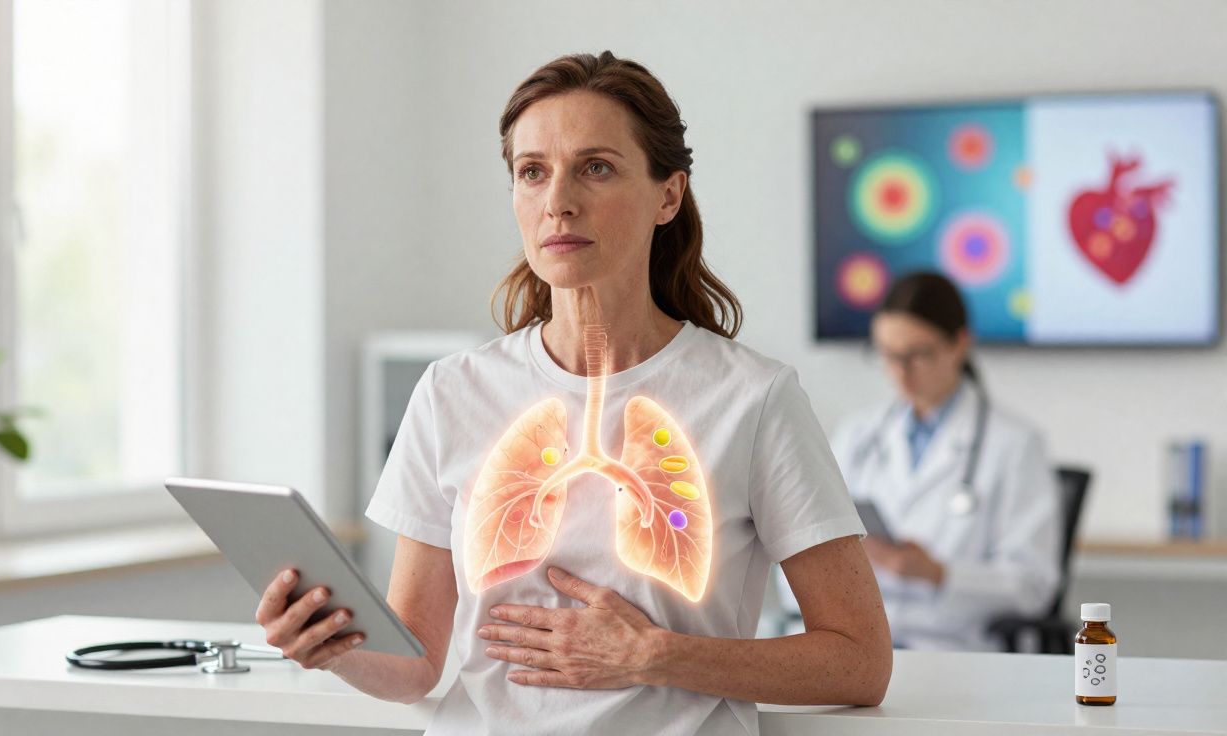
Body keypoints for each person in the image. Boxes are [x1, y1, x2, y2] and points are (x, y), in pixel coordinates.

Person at [255, 51, 891, 735]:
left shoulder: (753, 399)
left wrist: (657, 656)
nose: (557, 199)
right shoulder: (452, 392)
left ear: (668, 196)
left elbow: (859, 662)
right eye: (533, 172)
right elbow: (415, 664)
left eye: (596, 167)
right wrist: (328, 646)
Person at [826, 271, 1063, 651]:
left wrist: (939, 574)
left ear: (959, 345)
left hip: (956, 651)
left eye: (917, 355)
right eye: (888, 355)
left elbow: (1033, 586)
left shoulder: (1015, 444)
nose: (901, 372)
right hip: (860, 646)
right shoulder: (858, 436)